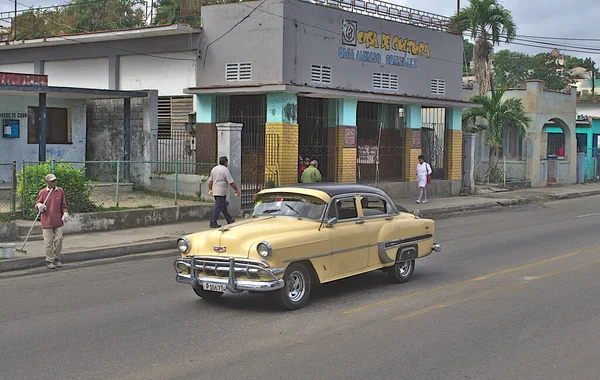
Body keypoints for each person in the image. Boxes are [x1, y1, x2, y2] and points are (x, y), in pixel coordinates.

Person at [35, 173, 68, 270]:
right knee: (48, 242)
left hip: (58, 220)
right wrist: (39, 206)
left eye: (55, 181)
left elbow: (63, 205)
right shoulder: (43, 192)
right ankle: (49, 260)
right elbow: (37, 203)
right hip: (47, 221)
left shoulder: (60, 191)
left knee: (59, 239)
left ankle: (57, 258)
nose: (54, 183)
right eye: (52, 181)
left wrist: (65, 213)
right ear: (47, 182)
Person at [208, 156, 240, 228]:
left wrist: (210, 190)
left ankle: (229, 219)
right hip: (221, 191)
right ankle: (213, 222)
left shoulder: (214, 169)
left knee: (223, 206)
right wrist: (236, 190)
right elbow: (231, 182)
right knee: (218, 207)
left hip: (215, 191)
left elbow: (210, 181)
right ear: (226, 162)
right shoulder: (225, 170)